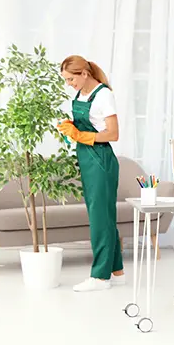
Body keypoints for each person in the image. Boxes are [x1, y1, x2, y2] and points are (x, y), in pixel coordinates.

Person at [57, 56, 124, 292]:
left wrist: (80, 135)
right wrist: (70, 128)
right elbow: (86, 125)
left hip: (100, 160)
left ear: (84, 73)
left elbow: (113, 134)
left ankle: (100, 277)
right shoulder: (80, 95)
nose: (69, 84)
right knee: (103, 215)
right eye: (66, 80)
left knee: (99, 219)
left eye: (70, 79)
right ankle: (116, 271)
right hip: (87, 159)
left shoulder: (103, 95)